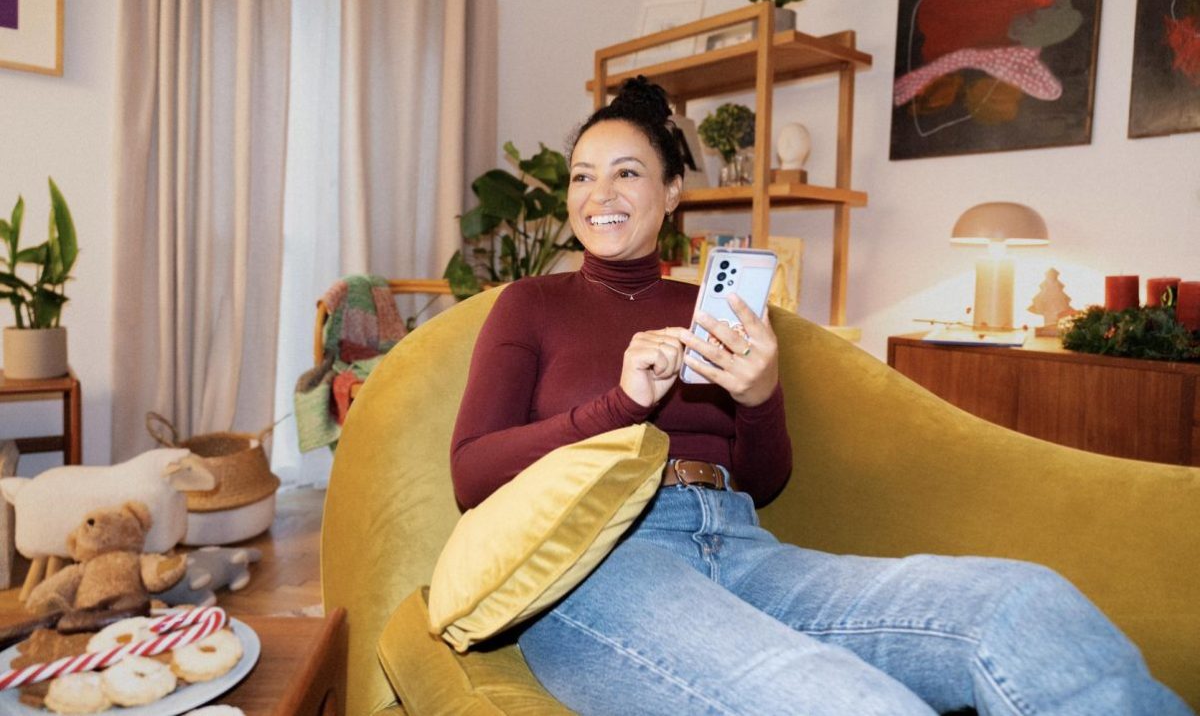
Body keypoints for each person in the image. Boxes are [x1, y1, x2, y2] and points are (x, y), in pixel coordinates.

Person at [450, 77, 1192, 716]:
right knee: (856, 705)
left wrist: (763, 395)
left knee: (1025, 607)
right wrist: (618, 406)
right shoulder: (530, 305)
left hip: (741, 546)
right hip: (601, 564)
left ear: (673, 192)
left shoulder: (716, 303)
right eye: (582, 176)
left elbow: (765, 482)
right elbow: (471, 472)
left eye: (626, 174)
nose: (599, 195)